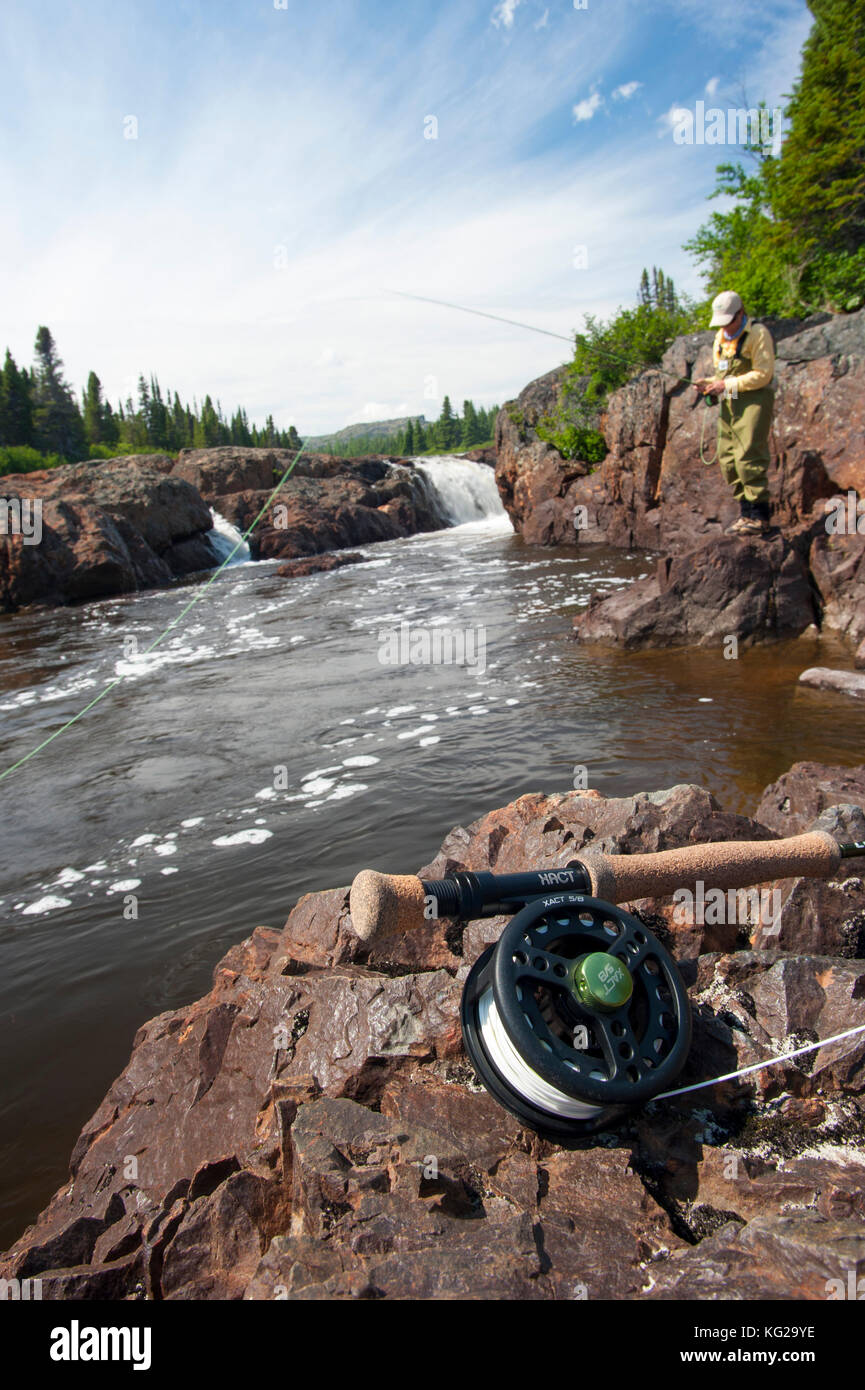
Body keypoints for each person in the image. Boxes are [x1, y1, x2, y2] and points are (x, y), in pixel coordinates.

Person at [696, 290, 776, 535]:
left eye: (729, 321)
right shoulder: (720, 339)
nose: (725, 328)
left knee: (748, 456)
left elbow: (764, 374)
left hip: (753, 402)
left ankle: (760, 517)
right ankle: (746, 515)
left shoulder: (758, 334)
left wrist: (725, 385)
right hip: (730, 404)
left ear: (741, 313)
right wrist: (710, 384)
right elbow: (722, 377)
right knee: (729, 459)